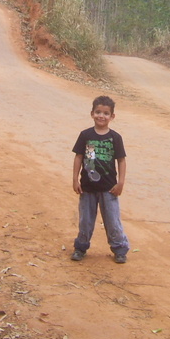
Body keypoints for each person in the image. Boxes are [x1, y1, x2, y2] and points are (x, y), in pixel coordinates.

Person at [70, 95, 130, 264]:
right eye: (98, 112)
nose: (101, 116)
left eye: (105, 113)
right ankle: (80, 247)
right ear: (92, 113)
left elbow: (121, 160)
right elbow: (78, 157)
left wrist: (121, 183)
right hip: (87, 187)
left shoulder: (115, 138)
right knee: (85, 220)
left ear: (112, 117)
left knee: (112, 220)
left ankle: (119, 249)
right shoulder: (85, 135)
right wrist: (75, 180)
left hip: (109, 188)